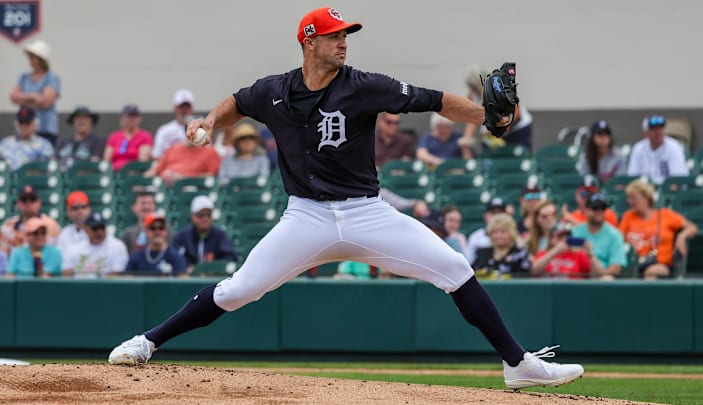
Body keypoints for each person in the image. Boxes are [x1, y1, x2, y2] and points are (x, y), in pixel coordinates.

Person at [108, 7, 583, 389]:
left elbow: (434, 100)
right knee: (237, 290)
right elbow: (237, 101)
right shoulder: (274, 91)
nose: (344, 42)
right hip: (306, 217)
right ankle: (148, 342)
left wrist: (484, 116)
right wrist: (211, 122)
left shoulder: (364, 86)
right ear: (308, 41)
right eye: (335, 35)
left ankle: (518, 364)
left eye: (346, 35)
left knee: (456, 269)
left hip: (366, 213)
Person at [618, 179, 697, 280]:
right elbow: (619, 238)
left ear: (646, 198)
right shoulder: (628, 216)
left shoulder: (664, 214)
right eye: (628, 198)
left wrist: (682, 236)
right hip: (634, 265)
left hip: (660, 263)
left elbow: (692, 227)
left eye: (633, 197)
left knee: (651, 272)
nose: (630, 201)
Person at [462, 65, 533, 151]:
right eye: (471, 87)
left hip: (517, 127)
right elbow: (471, 118)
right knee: (489, 151)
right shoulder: (472, 95)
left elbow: (515, 114)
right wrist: (467, 137)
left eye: (474, 86)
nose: (473, 90)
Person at [9, 39, 61, 145]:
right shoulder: (24, 77)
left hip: (46, 130)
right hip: (24, 129)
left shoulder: (52, 77)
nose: (30, 59)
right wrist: (34, 96)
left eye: (33, 56)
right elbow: (13, 97)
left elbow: (46, 101)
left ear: (41, 59)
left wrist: (23, 99)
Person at [172, 196, 236, 272]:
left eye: (208, 215)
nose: (205, 219)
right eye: (200, 215)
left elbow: (229, 258)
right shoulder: (182, 236)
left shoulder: (219, 235)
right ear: (192, 216)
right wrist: (189, 268)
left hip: (213, 279)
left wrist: (213, 267)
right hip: (188, 280)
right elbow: (175, 259)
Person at [571, 193, 627, 280]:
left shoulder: (615, 235)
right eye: (595, 208)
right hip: (576, 275)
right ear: (585, 210)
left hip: (601, 280)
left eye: (602, 208)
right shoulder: (575, 231)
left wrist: (592, 258)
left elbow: (615, 268)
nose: (599, 212)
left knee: (607, 279)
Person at [626, 115, 689, 185]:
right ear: (645, 133)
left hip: (666, 190)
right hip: (644, 190)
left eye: (660, 128)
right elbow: (632, 178)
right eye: (653, 129)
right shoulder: (638, 148)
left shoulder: (674, 147)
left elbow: (678, 180)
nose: (658, 132)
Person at [62, 212, 129, 278]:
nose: (99, 232)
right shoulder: (74, 249)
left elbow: (118, 274)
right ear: (85, 229)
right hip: (79, 287)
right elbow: (67, 274)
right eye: (95, 228)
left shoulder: (118, 246)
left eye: (102, 228)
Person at [0, 185, 61, 256]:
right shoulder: (8, 226)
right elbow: (2, 257)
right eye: (24, 200)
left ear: (39, 202)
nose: (28, 203)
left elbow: (56, 253)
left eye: (32, 199)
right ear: (18, 203)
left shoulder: (51, 225)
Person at [472, 213, 531, 279]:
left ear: (511, 233)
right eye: (494, 232)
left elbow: (523, 277)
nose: (498, 235)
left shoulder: (520, 253)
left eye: (503, 232)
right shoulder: (482, 252)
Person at [531, 223, 599, 279]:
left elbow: (596, 276)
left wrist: (590, 254)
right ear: (551, 239)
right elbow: (533, 272)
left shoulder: (579, 255)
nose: (565, 239)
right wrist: (555, 251)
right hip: (548, 291)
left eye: (568, 236)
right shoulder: (543, 254)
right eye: (560, 236)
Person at [144, 137, 221, 186]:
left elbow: (212, 176)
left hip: (192, 188)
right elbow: (157, 169)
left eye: (195, 132)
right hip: (163, 185)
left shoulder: (210, 152)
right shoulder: (173, 149)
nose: (191, 135)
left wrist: (185, 178)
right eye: (188, 131)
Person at [104, 105, 153, 171]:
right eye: (129, 116)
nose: (131, 119)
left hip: (133, 172)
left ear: (139, 118)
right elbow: (107, 160)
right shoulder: (114, 136)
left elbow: (143, 160)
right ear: (122, 118)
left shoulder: (144, 136)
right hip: (114, 172)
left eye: (135, 116)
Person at [55, 106, 104, 170]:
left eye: (85, 118)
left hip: (83, 176)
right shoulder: (63, 140)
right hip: (61, 175)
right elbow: (54, 160)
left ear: (91, 121)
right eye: (78, 118)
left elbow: (94, 162)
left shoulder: (97, 141)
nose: (82, 121)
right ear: (73, 122)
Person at [152, 89, 196, 159]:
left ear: (192, 109)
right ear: (174, 108)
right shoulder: (164, 130)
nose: (184, 110)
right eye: (181, 107)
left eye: (187, 107)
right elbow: (156, 155)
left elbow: (207, 151)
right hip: (170, 166)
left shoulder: (200, 128)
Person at [465, 197, 510, 264]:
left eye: (500, 212)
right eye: (493, 212)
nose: (497, 216)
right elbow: (468, 263)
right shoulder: (476, 237)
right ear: (486, 215)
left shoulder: (513, 235)